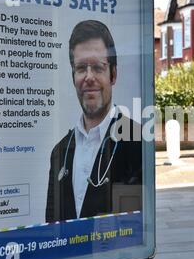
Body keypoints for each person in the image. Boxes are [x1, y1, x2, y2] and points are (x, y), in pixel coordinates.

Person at [46, 20, 142, 223]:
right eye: (81, 68)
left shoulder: (137, 142)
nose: (89, 77)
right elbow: (51, 229)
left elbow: (132, 227)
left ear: (113, 74)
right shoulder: (59, 152)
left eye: (98, 67)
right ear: (73, 76)